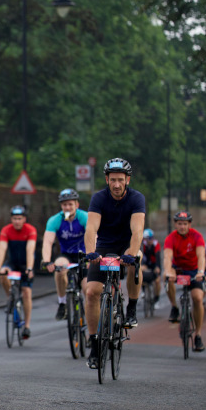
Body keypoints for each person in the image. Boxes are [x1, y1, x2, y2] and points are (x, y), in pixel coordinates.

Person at [84, 158, 145, 369]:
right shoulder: (98, 198)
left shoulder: (137, 198)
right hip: (104, 246)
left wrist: (132, 253)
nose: (116, 184)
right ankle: (94, 345)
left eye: (120, 180)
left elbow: (137, 230)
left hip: (128, 245)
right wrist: (91, 252)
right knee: (91, 292)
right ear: (107, 180)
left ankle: (132, 308)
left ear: (127, 180)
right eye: (112, 180)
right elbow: (91, 228)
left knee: (136, 261)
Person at [41, 188, 88, 321]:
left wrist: (92, 256)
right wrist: (46, 261)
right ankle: (62, 303)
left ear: (76, 205)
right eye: (64, 205)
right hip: (66, 254)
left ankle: (88, 314)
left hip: (84, 255)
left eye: (70, 204)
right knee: (59, 268)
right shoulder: (55, 220)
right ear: (61, 206)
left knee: (87, 289)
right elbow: (48, 242)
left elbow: (93, 237)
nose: (67, 207)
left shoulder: (84, 217)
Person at [0, 205, 37, 339]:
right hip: (12, 263)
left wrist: (29, 268)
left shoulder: (30, 230)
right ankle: (10, 297)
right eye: (14, 218)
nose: (17, 221)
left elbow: (30, 249)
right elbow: (2, 249)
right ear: (11, 219)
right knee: (3, 273)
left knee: (26, 292)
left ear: (24, 219)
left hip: (25, 264)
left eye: (19, 218)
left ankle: (27, 326)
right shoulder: (6, 230)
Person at [163, 211, 206, 352]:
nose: (182, 227)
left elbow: (201, 256)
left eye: (185, 224)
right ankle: (174, 307)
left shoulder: (197, 236)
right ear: (175, 224)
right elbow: (167, 257)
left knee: (197, 298)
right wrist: (168, 271)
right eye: (180, 224)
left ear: (189, 225)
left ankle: (198, 335)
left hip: (194, 270)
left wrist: (201, 272)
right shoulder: (170, 238)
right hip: (178, 269)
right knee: (167, 277)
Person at [141, 228, 162, 307]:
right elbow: (141, 255)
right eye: (146, 239)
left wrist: (157, 267)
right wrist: (142, 265)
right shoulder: (143, 245)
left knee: (157, 281)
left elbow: (158, 256)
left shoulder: (156, 244)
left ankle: (157, 299)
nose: (148, 241)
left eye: (150, 238)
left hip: (154, 264)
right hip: (146, 263)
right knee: (139, 274)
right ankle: (143, 291)